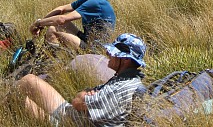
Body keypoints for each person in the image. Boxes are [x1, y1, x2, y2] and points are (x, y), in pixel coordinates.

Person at [17, 33, 146, 127]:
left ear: (125, 60)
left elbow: (77, 102)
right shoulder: (126, 80)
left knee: (23, 90)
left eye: (113, 53)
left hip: (69, 122)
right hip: (73, 116)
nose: (108, 54)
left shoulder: (120, 88)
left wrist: (84, 95)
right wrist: (86, 96)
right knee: (27, 88)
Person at [30, 0, 116, 50]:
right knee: (54, 26)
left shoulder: (95, 2)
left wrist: (38, 23)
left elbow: (61, 19)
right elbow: (62, 9)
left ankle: (50, 61)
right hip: (86, 39)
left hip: (94, 49)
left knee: (53, 31)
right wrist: (41, 25)